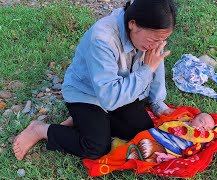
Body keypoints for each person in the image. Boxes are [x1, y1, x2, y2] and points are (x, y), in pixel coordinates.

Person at [13, 0, 177, 161]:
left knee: (143, 133)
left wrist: (157, 103)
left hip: (121, 89)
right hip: (87, 93)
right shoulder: (103, 39)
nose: (157, 45)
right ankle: (41, 130)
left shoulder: (151, 36)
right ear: (132, 24)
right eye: (153, 40)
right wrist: (146, 71)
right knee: (96, 147)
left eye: (161, 41)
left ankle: (81, 120)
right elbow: (110, 98)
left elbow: (156, 65)